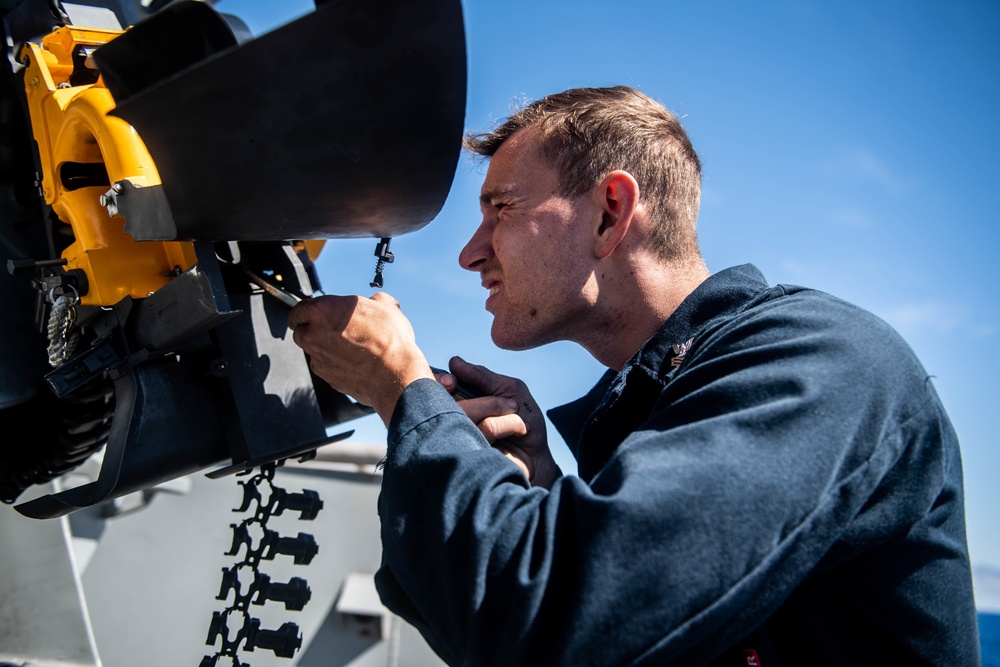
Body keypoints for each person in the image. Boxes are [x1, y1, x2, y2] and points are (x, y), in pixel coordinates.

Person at [287, 86, 980, 666]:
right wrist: (542, 489)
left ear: (611, 213)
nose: (470, 253)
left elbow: (549, 630)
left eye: (501, 208)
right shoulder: (673, 399)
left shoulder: (823, 362)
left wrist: (403, 391)